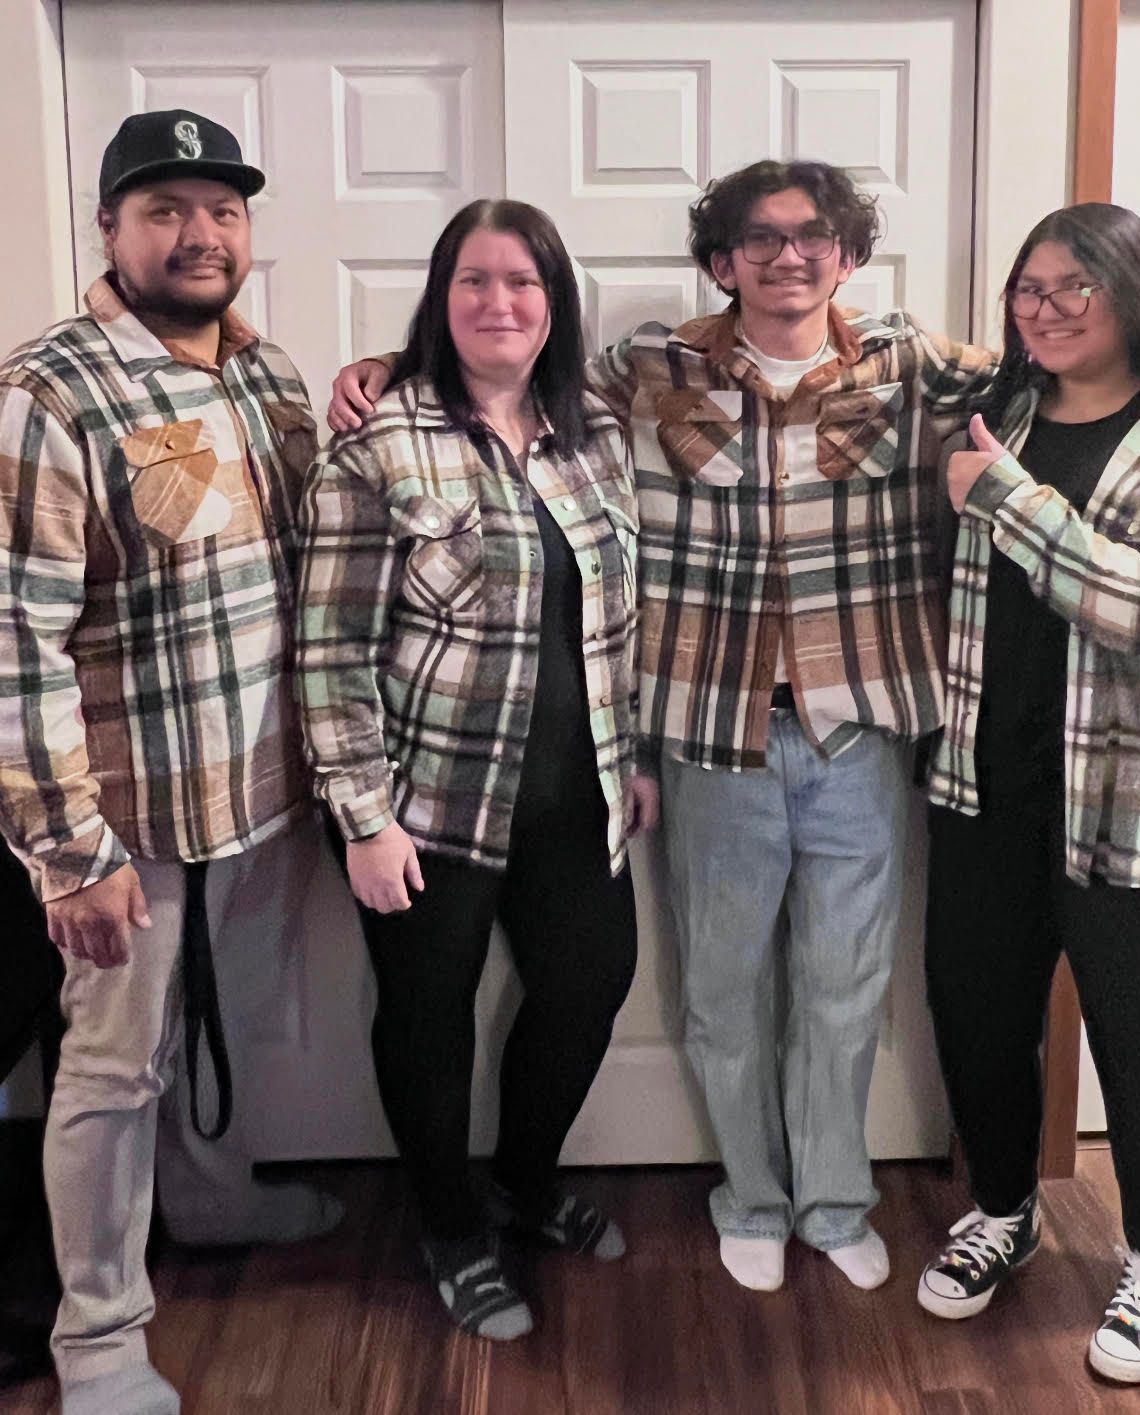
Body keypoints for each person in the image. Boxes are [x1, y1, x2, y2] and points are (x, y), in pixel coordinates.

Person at [327, 162, 1140, 1298]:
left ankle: (831, 1195)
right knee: (720, 993)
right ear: (721, 262)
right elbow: (509, 357)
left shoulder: (918, 366)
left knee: (843, 984)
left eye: (812, 236)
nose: (786, 256)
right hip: (709, 734)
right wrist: (389, 364)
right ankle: (751, 1196)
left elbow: (1080, 357)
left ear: (847, 254)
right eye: (755, 241)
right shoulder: (644, 370)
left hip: (858, 734)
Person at [0, 110, 341, 1415]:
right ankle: (98, 1334)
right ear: (110, 229)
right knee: (112, 1066)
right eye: (166, 210)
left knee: (231, 1019)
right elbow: (14, 640)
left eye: (222, 209)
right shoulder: (54, 389)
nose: (200, 234)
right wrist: (66, 850)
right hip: (126, 811)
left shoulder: (268, 376)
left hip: (259, 792)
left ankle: (209, 1199)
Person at [296, 198, 656, 1342]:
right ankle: (451, 1225)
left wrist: (630, 756)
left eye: (524, 283)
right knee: (426, 1015)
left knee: (589, 986)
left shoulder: (595, 430)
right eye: (474, 281)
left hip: (577, 794)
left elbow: (615, 618)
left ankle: (523, 1180)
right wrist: (362, 815)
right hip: (424, 808)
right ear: (439, 300)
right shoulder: (378, 440)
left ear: (556, 305)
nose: (499, 304)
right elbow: (329, 644)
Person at [916, 202, 1140, 1387]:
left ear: (1133, 294)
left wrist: (1006, 501)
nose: (1050, 308)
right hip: (984, 783)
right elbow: (838, 342)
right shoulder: (993, 407)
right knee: (976, 1017)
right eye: (1031, 288)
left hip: (1136, 799)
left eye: (1079, 287)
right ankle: (1003, 1210)